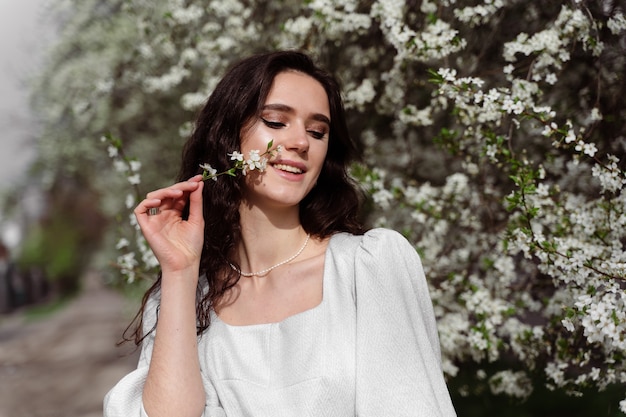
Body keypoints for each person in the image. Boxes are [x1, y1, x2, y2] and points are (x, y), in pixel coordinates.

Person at [104, 50, 456, 417]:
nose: (301, 142)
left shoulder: (366, 269)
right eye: (275, 122)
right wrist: (179, 272)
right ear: (228, 137)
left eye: (317, 131)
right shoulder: (183, 297)